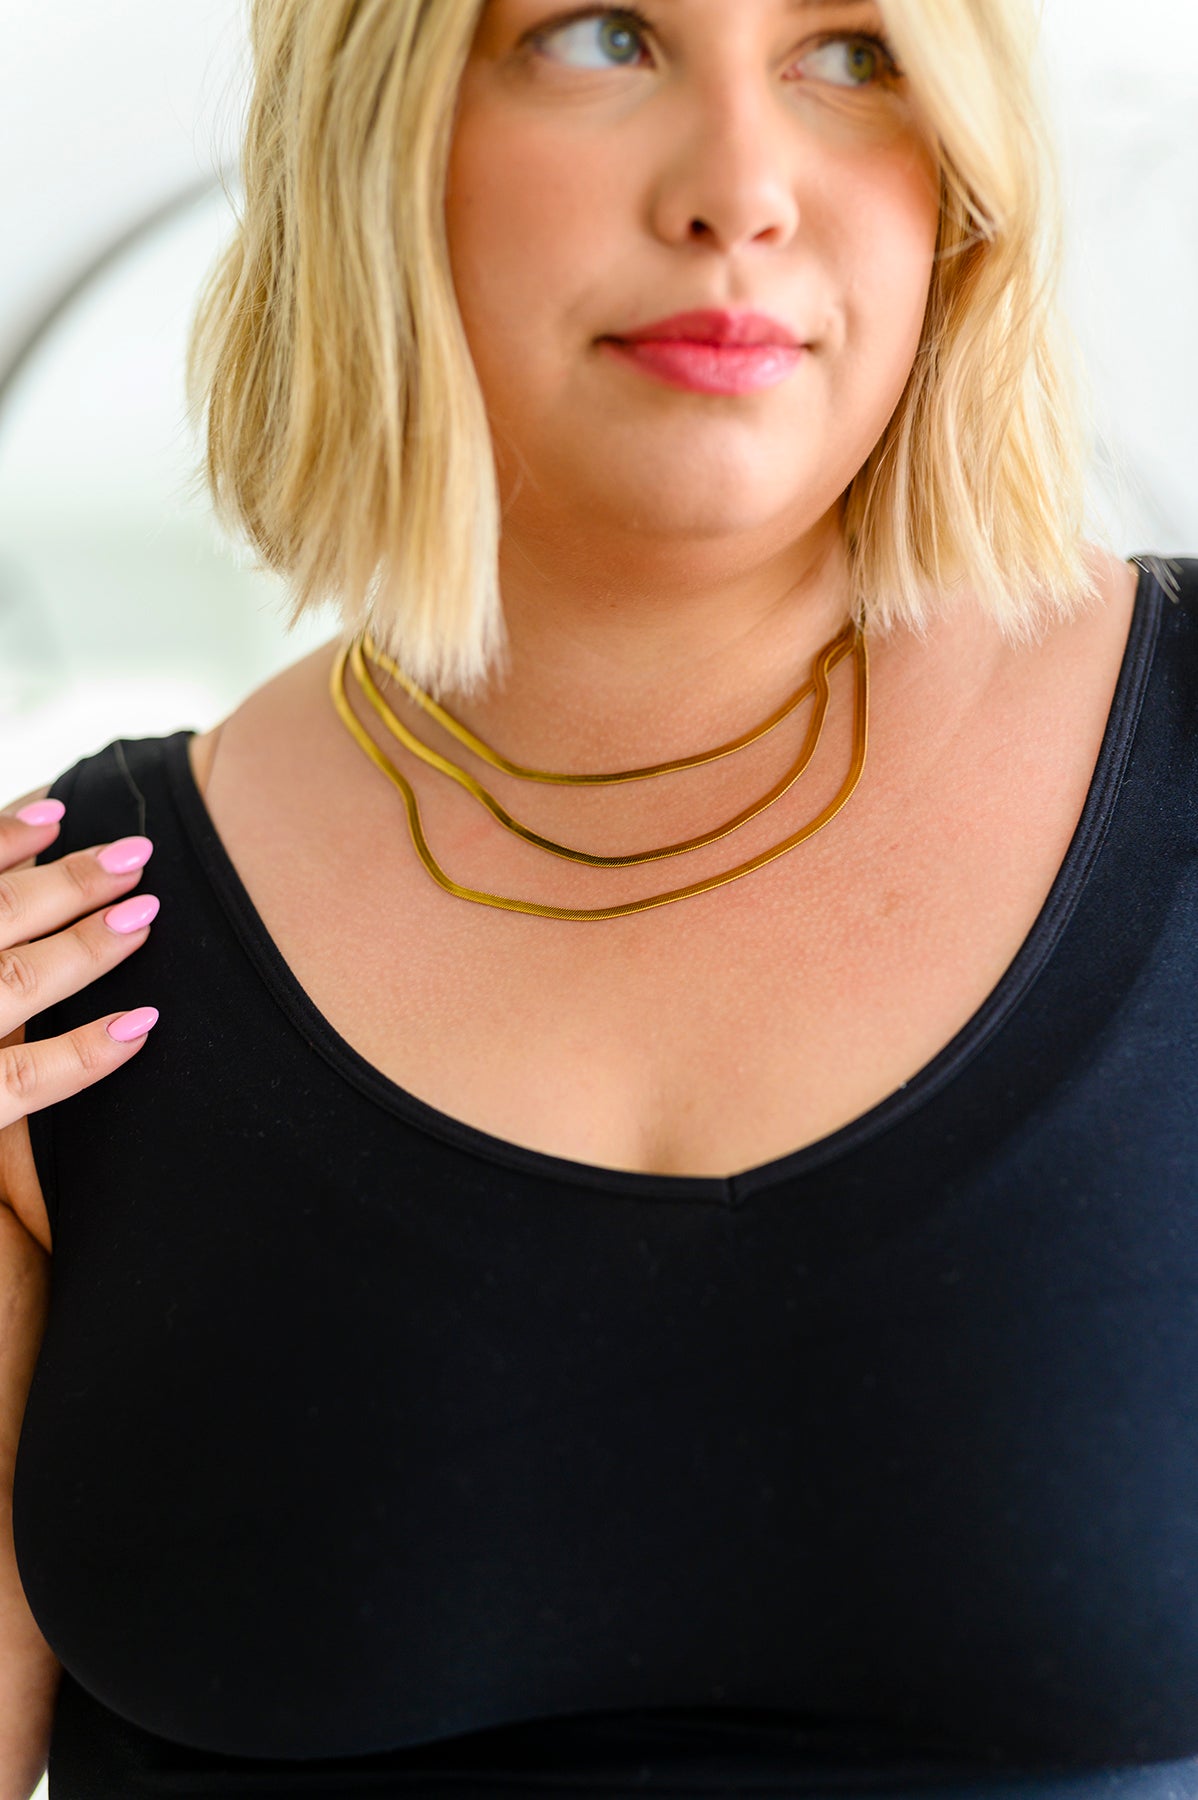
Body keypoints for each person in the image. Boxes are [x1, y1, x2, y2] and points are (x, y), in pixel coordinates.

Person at [1, 0, 1195, 1792]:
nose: (741, 189)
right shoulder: (72, 954)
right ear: (382, 132)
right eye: (600, 36)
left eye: (851, 54)